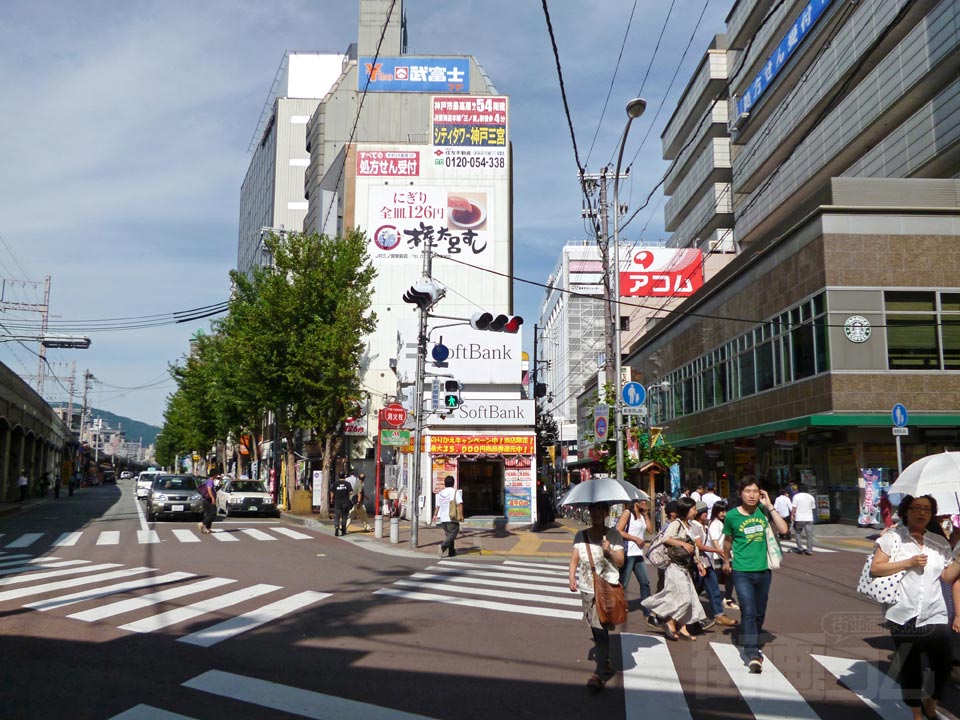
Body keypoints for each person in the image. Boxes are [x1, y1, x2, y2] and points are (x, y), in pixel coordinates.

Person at [870, 494, 960, 719]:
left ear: (932, 514)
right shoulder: (893, 538)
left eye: (927, 509)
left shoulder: (939, 543)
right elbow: (876, 569)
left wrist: (959, 559)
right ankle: (916, 713)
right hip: (903, 613)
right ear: (906, 511)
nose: (921, 513)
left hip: (935, 613)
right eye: (916, 508)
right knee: (911, 668)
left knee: (944, 665)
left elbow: (947, 577)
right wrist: (908, 562)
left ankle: (932, 699)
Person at [721, 476, 788, 673]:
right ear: (740, 494)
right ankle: (752, 652)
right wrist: (726, 560)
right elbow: (728, 541)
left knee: (759, 612)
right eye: (747, 491)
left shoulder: (763, 511)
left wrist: (770, 506)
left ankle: (752, 638)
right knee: (748, 610)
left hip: (764, 570)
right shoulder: (732, 516)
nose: (751, 495)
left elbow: (783, 529)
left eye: (755, 491)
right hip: (741, 570)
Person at [568, 502, 625, 691]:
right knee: (595, 626)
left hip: (607, 587)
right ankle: (605, 661)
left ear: (606, 513)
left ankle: (599, 673)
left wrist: (608, 550)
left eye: (599, 511)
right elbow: (575, 558)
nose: (595, 515)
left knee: (600, 630)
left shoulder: (614, 535)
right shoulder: (581, 535)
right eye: (592, 511)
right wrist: (571, 577)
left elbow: (621, 561)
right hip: (587, 588)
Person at [642, 496, 707, 641]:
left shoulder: (689, 526)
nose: (695, 511)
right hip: (675, 567)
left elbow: (693, 547)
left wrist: (699, 563)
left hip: (686, 567)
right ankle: (669, 621)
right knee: (684, 598)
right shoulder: (676, 524)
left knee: (689, 598)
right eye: (693, 509)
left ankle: (683, 628)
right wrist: (683, 544)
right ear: (686, 510)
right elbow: (666, 539)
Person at [690, 501, 737, 629]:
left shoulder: (704, 526)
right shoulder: (694, 526)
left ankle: (718, 615)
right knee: (694, 590)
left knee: (711, 588)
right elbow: (698, 545)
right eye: (703, 512)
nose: (706, 514)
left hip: (707, 562)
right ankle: (676, 615)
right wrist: (717, 551)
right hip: (699, 562)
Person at [616, 496, 653, 625]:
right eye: (642, 501)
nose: (644, 503)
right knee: (623, 583)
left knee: (645, 582)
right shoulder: (627, 513)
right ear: (635, 502)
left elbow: (650, 530)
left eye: (645, 501)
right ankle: (617, 607)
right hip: (628, 553)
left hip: (638, 554)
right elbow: (618, 530)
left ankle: (647, 611)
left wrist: (646, 515)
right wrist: (635, 539)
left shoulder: (642, 516)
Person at [707, 500, 738, 610]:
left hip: (724, 555)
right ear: (715, 511)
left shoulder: (722, 523)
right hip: (718, 556)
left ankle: (727, 599)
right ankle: (723, 601)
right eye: (720, 511)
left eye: (725, 511)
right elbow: (715, 541)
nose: (723, 513)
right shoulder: (715, 524)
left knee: (728, 577)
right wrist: (723, 555)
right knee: (717, 579)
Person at [432, 475, 463, 558]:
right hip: (452, 517)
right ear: (453, 483)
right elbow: (459, 504)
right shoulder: (454, 492)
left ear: (445, 483)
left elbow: (437, 506)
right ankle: (443, 547)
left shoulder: (441, 493)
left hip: (443, 518)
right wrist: (461, 515)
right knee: (453, 533)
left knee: (449, 535)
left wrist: (435, 515)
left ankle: (451, 552)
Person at [791, 483, 817, 555]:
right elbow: (813, 507)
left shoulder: (796, 496)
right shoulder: (811, 497)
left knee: (798, 532)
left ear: (798, 489)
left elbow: (794, 507)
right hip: (809, 518)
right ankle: (809, 550)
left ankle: (800, 548)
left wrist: (792, 515)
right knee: (809, 534)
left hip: (799, 518)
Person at [331, 471, 354, 537]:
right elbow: (351, 492)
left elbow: (332, 492)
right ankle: (343, 529)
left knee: (337, 516)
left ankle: (336, 527)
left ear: (338, 476)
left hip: (337, 502)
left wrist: (332, 499)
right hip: (345, 502)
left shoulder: (335, 484)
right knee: (344, 516)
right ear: (344, 476)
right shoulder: (347, 484)